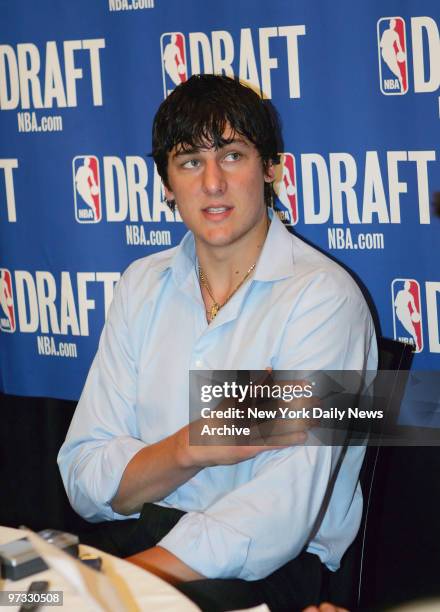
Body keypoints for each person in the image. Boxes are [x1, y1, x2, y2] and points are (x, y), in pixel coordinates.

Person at [58, 75, 377, 611]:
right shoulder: (142, 283)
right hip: (137, 542)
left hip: (266, 572)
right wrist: (189, 447)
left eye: (231, 156)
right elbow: (85, 474)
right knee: (22, 590)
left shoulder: (321, 299)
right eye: (188, 162)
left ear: (271, 167)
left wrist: (123, 582)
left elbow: (281, 511)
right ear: (166, 182)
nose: (211, 183)